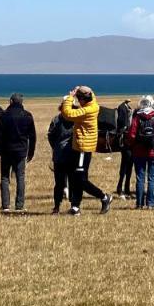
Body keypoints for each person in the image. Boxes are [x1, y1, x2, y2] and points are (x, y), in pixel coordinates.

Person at [58, 85, 113, 216]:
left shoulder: (88, 110)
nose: (78, 101)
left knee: (81, 179)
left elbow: (68, 113)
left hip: (83, 148)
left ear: (83, 100)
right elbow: (91, 93)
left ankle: (104, 197)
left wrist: (70, 98)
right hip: (80, 147)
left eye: (79, 99)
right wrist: (80, 89)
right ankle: (75, 207)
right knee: (77, 177)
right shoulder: (91, 102)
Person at [127, 95, 154, 210]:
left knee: (140, 178)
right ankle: (151, 204)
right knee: (152, 178)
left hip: (138, 153)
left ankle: (139, 203)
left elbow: (131, 136)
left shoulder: (136, 118)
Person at [0, 93, 36, 213]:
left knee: (4, 177)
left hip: (6, 151)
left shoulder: (4, 115)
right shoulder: (27, 115)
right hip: (21, 151)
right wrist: (31, 152)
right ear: (21, 102)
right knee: (20, 177)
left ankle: (5, 206)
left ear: (10, 101)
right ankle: (19, 205)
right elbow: (32, 136)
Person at [46, 99, 74, 214]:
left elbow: (50, 136)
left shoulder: (56, 119)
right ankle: (74, 205)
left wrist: (56, 147)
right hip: (73, 155)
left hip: (59, 155)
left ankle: (57, 207)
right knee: (73, 181)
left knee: (58, 183)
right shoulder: (76, 119)